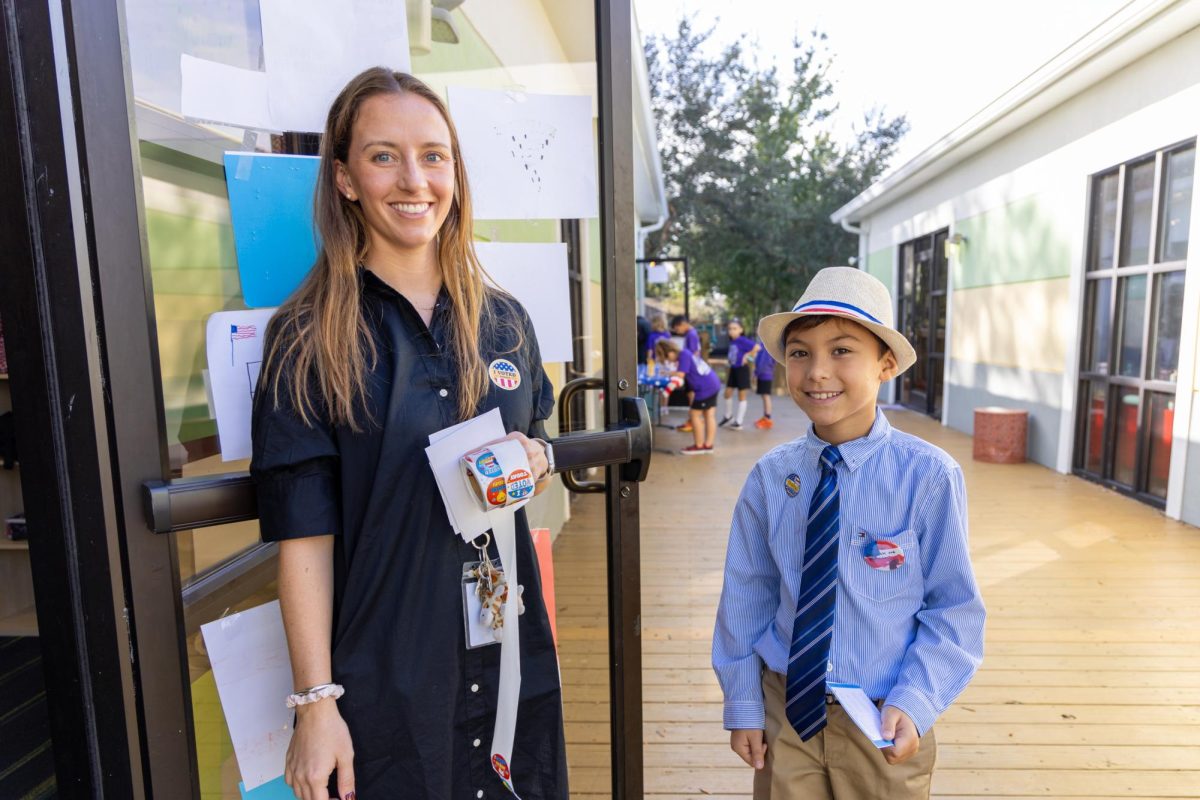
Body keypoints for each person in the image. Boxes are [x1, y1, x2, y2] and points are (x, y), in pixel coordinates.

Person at [250, 68, 567, 800]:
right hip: (385, 682)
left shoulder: (506, 321)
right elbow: (303, 538)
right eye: (383, 155)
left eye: (433, 154)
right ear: (346, 179)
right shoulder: (308, 337)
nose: (414, 179)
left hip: (512, 660)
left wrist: (539, 457)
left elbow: (536, 444)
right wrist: (315, 703)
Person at [712, 267, 985, 799]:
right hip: (785, 715)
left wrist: (917, 699)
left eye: (841, 351)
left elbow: (954, 610)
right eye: (799, 353)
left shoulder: (928, 476)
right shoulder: (772, 478)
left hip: (884, 716)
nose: (817, 371)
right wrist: (744, 703)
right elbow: (747, 592)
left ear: (885, 363)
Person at [656, 338, 721, 455]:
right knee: (709, 415)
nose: (668, 361)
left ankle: (699, 446)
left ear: (670, 352)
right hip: (713, 383)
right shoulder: (685, 353)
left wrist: (667, 377)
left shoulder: (683, 355)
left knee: (694, 414)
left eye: (667, 358)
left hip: (705, 388)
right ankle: (708, 445)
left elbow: (680, 375)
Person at [719, 319, 760, 430]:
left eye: (734, 328)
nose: (731, 331)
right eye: (730, 329)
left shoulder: (742, 340)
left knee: (741, 396)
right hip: (733, 369)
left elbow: (757, 347)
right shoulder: (732, 341)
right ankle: (728, 416)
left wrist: (747, 356)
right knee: (727, 393)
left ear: (741, 330)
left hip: (742, 370)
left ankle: (739, 422)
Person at [753, 334, 775, 429]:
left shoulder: (766, 346)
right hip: (764, 374)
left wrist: (756, 373)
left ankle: (768, 419)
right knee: (764, 396)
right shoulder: (763, 344)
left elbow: (763, 362)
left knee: (766, 396)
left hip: (765, 374)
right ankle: (765, 416)